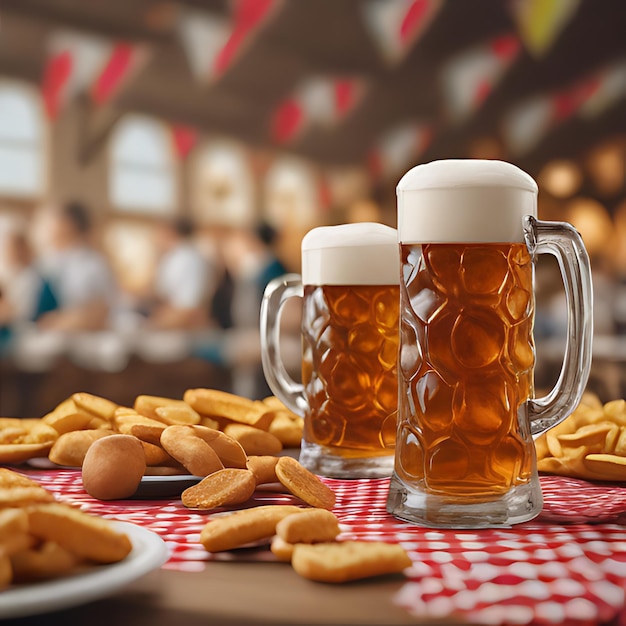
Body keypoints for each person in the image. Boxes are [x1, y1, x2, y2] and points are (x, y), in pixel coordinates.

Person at [37, 201, 115, 331]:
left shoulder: (93, 265)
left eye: (54, 222)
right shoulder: (48, 260)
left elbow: (100, 313)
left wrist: (63, 321)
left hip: (80, 342)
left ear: (69, 225)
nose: (49, 229)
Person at [149, 216, 214, 329]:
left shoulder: (188, 260)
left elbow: (189, 309)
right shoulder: (174, 258)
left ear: (170, 232)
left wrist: (151, 326)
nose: (155, 238)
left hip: (187, 334)